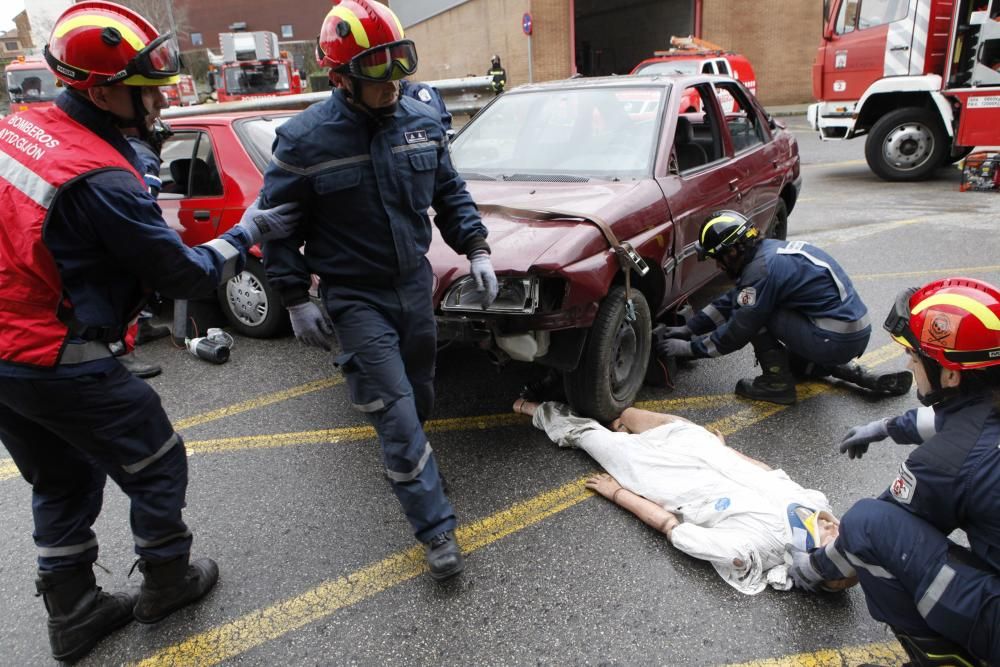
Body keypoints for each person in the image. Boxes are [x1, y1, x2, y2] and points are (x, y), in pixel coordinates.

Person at [0, 2, 300, 661]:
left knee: (60, 477)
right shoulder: (102, 181)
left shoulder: (23, 128)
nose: (158, 103)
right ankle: (168, 576)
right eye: (146, 92)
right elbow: (186, 274)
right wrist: (248, 230)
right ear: (101, 90)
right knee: (157, 458)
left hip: (7, 351)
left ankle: (73, 611)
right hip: (57, 353)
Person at [261, 0, 497, 582]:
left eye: (400, 63)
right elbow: (277, 229)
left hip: (413, 286)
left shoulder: (420, 113)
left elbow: (449, 190)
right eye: (377, 69)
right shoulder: (304, 141)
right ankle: (436, 529)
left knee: (418, 398)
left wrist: (478, 248)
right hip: (354, 296)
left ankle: (406, 457)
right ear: (340, 77)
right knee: (394, 412)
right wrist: (295, 297)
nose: (392, 81)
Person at [787, 277, 1000, 666]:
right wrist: (885, 428)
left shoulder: (948, 461)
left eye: (916, 358)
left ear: (950, 376)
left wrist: (812, 568)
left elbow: (872, 533)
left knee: (870, 523)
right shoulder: (985, 405)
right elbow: (956, 420)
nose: (908, 363)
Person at [513, 398, 857, 595]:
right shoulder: (815, 505)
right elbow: (767, 473)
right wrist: (726, 450)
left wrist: (617, 493)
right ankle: (621, 424)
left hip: (662, 476)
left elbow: (674, 530)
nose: (840, 530)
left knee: (590, 436)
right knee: (628, 415)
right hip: (702, 451)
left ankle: (540, 411)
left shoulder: (755, 552)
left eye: (838, 542)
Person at [654, 211, 912, 405]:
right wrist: (689, 329)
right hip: (847, 331)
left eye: (716, 258)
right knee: (755, 308)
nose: (718, 266)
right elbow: (734, 299)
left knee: (757, 318)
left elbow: (738, 331)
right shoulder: (768, 254)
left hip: (834, 338)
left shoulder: (760, 272)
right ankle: (851, 374)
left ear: (732, 252)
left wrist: (689, 349)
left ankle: (776, 384)